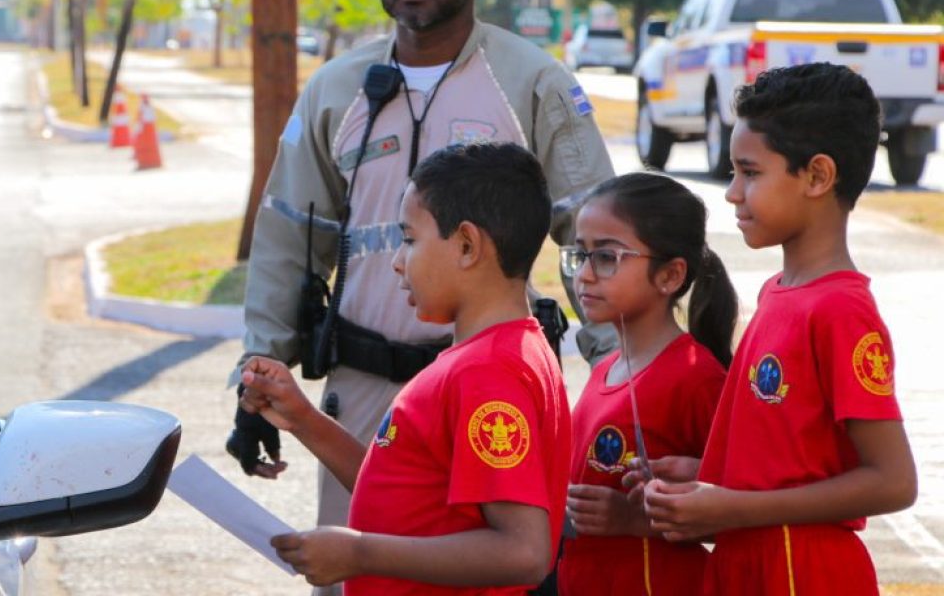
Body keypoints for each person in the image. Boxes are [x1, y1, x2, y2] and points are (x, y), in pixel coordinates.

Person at [227, 0, 614, 581]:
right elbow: (288, 239)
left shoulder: (534, 84)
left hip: (489, 392)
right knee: (355, 574)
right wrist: (258, 378)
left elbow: (596, 236)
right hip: (364, 387)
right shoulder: (335, 90)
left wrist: (621, 373)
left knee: (487, 569)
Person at [238, 142, 571, 594]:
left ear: (468, 245)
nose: (397, 261)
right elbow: (401, 496)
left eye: (410, 239)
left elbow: (523, 552)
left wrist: (360, 553)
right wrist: (303, 419)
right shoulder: (489, 356)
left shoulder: (487, 373)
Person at [642, 63, 918, 594]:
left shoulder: (840, 310)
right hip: (751, 561)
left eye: (750, 172)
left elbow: (893, 481)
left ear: (817, 176)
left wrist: (735, 506)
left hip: (801, 569)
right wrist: (705, 477)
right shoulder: (779, 291)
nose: (732, 193)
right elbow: (795, 458)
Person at [556, 172, 737, 595]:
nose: (583, 275)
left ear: (670, 276)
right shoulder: (605, 371)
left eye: (606, 257)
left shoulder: (696, 377)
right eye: (579, 255)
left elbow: (741, 517)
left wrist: (631, 520)